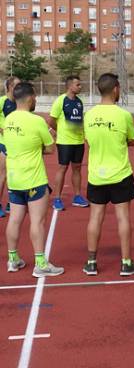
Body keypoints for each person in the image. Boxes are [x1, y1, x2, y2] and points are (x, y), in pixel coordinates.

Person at [3, 82, 64, 277]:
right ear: (30, 98)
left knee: (14, 219)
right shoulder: (37, 121)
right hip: (34, 179)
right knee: (37, 221)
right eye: (35, 97)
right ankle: (40, 263)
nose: (36, 100)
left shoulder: (9, 120)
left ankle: (12, 260)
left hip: (14, 179)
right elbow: (49, 148)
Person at [83, 73, 134, 276]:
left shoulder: (88, 115)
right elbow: (133, 140)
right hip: (120, 174)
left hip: (96, 175)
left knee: (95, 217)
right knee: (123, 217)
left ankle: (91, 262)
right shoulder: (123, 115)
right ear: (116, 89)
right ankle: (126, 263)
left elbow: (89, 141)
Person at [48, 75, 89, 211]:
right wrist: (59, 131)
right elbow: (52, 120)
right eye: (77, 84)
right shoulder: (60, 101)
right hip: (65, 142)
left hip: (78, 142)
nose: (80, 86)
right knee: (63, 168)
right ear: (70, 86)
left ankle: (77, 196)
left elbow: (79, 120)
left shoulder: (79, 102)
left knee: (77, 168)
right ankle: (57, 198)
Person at [0, 76, 21, 217]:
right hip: (5, 144)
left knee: (16, 175)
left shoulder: (20, 103)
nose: (19, 88)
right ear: (9, 87)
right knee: (3, 175)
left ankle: (11, 203)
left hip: (19, 144)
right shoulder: (2, 101)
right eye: (17, 86)